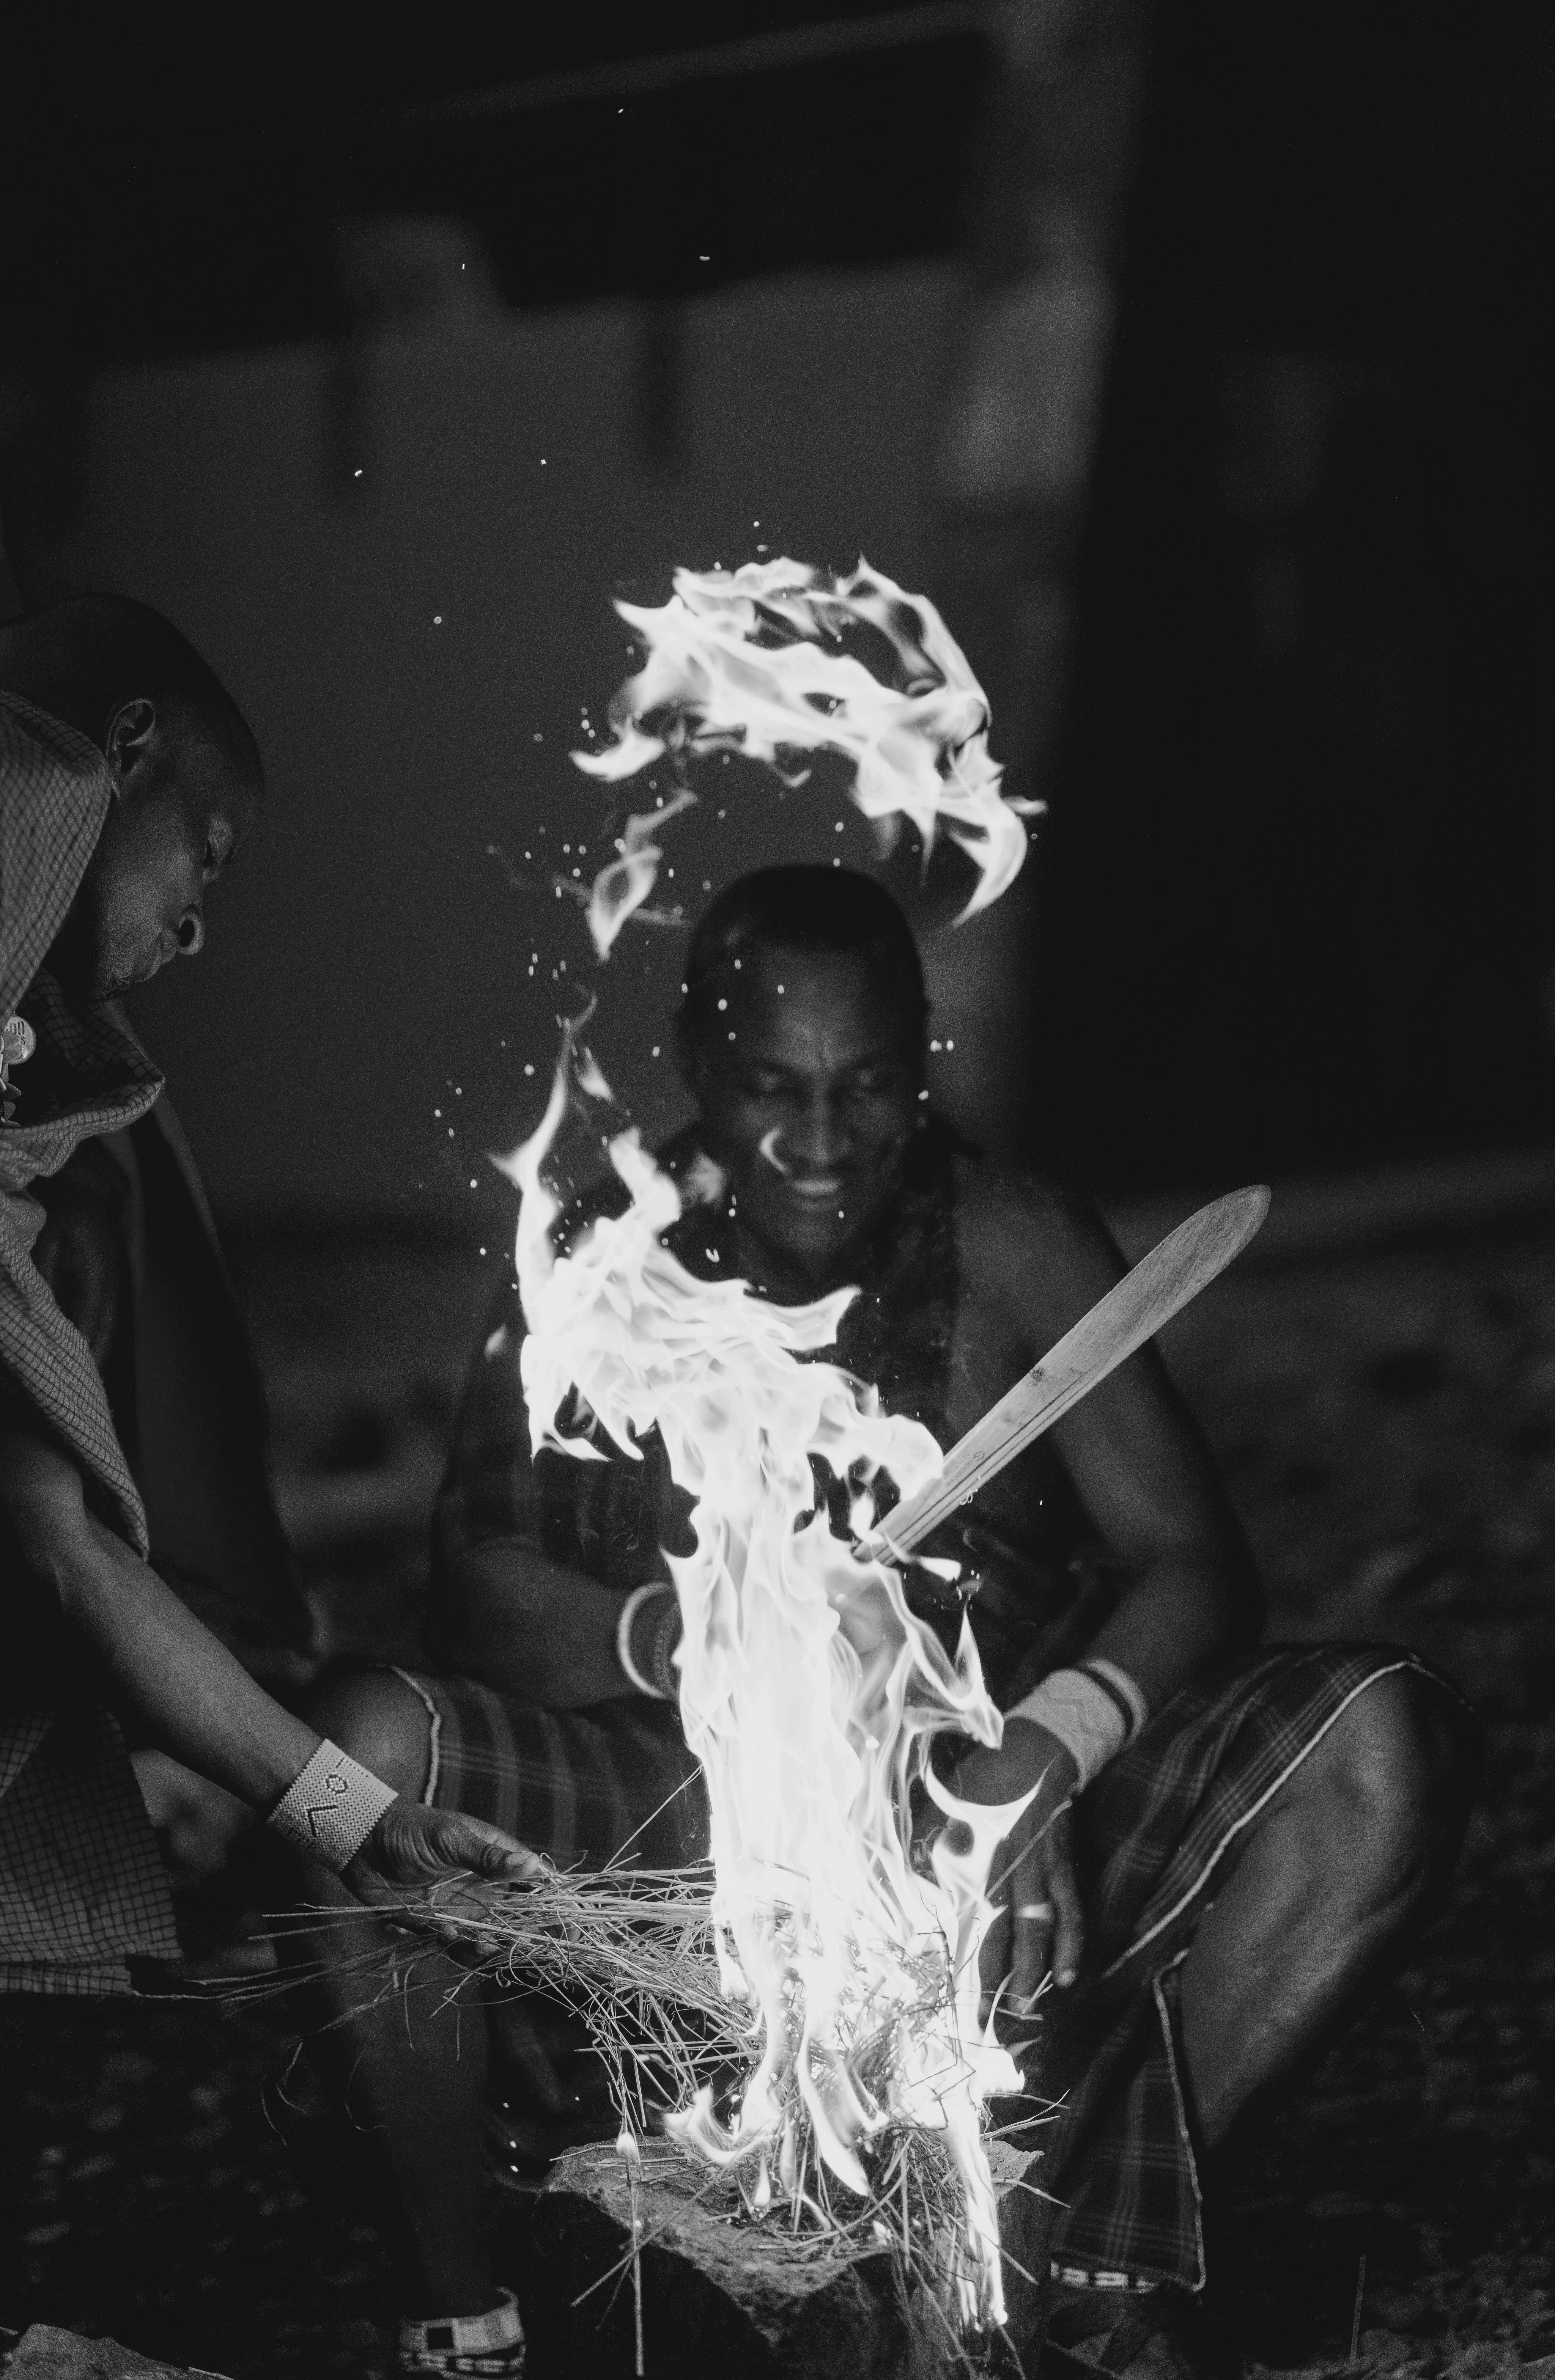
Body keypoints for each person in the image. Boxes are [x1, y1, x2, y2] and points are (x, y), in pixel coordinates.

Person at [300, 864, 1480, 2380]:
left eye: (865, 1086)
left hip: (992, 1874)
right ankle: (472, 2317)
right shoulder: (598, 1265)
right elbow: (477, 1590)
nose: (818, 1140)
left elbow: (1197, 1560)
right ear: (696, 1065)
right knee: (352, 1758)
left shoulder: (1014, 1239)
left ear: (920, 1062)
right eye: (771, 1087)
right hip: (688, 1863)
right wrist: (726, 1633)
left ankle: (1068, 2255)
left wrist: (1046, 1744)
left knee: (1383, 1746)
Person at [0, 595, 541, 2019]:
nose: (194, 927)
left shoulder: (29, 1107)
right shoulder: (33, 788)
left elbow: (62, 1549)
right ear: (125, 747)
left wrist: (358, 1822)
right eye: (208, 856)